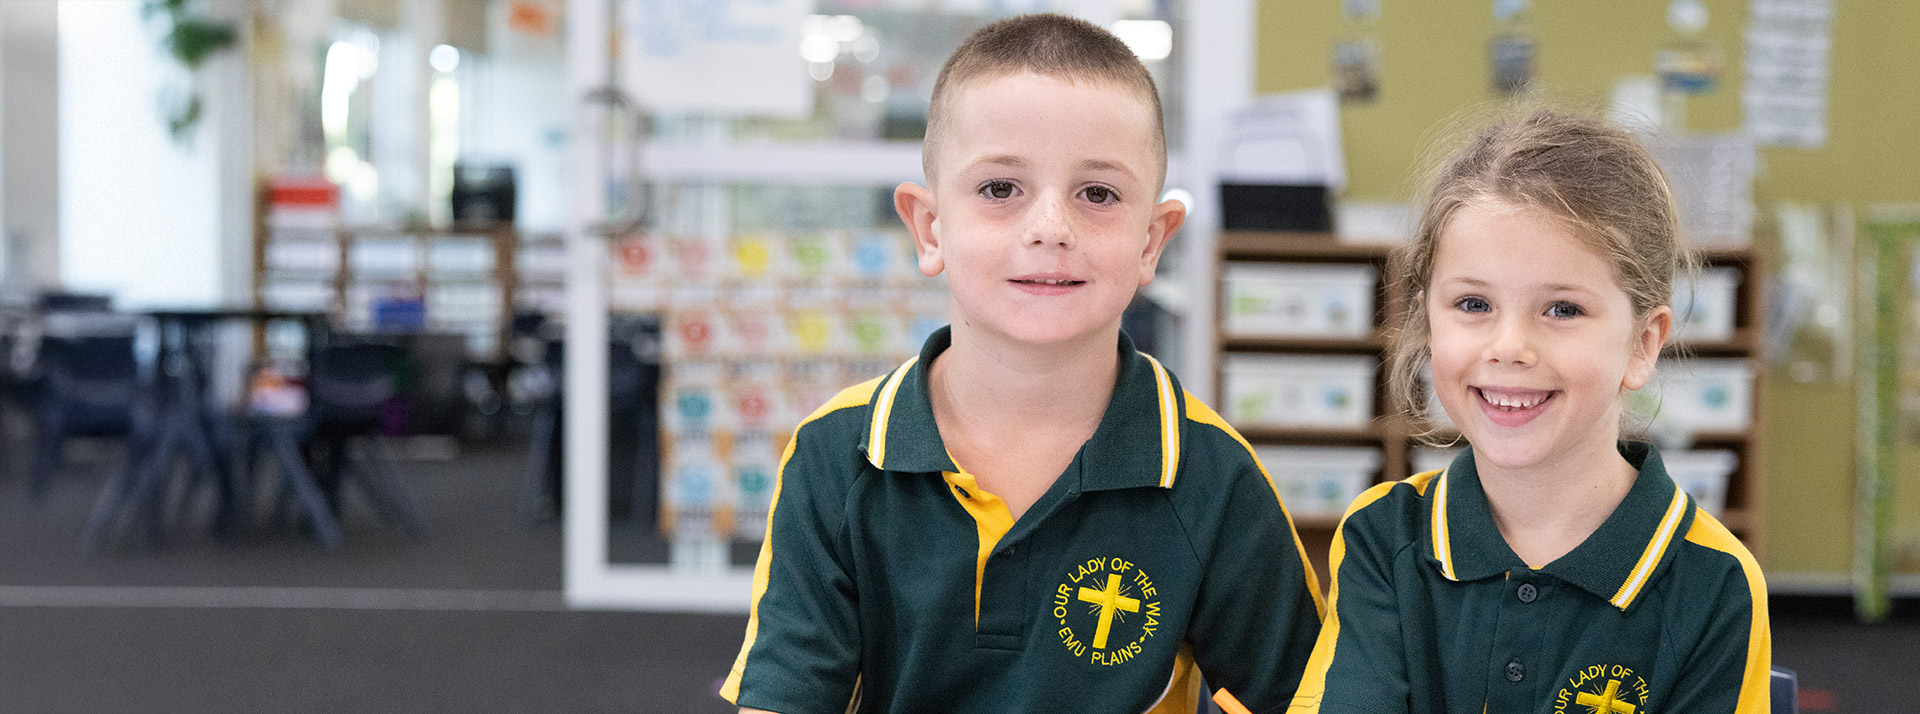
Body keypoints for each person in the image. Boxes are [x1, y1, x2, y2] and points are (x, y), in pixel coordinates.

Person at [720, 13, 1325, 714]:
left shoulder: (1213, 475)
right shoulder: (835, 454)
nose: (1050, 228)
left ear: (1152, 241)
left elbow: (1303, 698)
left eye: (1097, 194)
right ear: (929, 227)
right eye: (1000, 189)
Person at [1288, 109, 1772, 713]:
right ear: (1425, 319)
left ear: (1643, 343)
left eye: (1562, 310)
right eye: (1473, 303)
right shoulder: (1383, 536)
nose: (1509, 347)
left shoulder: (1715, 581)